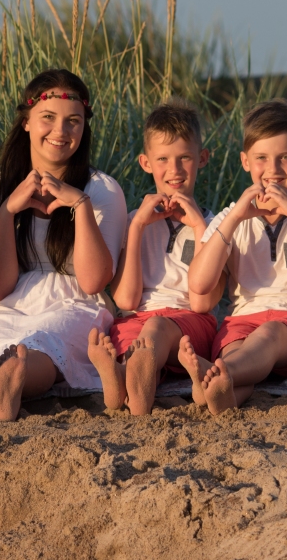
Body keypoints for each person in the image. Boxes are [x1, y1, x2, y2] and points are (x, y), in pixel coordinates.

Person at [0, 69, 127, 421]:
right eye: (48, 118)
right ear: (26, 122)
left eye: (73, 122)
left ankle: (4, 382)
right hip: (11, 302)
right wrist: (7, 212)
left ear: (84, 127)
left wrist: (79, 205)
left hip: (76, 301)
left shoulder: (102, 190)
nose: (61, 132)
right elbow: (1, 286)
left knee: (47, 340)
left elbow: (93, 282)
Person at [182, 99, 287, 415]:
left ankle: (216, 374)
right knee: (242, 354)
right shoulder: (230, 217)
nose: (274, 170)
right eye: (262, 158)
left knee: (268, 335)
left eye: (286, 158)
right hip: (242, 319)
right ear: (245, 162)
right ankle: (216, 392)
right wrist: (237, 215)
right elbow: (198, 284)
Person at [88, 99, 219, 415]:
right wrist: (136, 228)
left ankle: (132, 392)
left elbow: (204, 302)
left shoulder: (216, 225)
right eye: (163, 159)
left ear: (201, 159)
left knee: (156, 329)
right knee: (132, 334)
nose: (174, 170)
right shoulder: (135, 220)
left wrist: (200, 226)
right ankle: (119, 379)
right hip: (137, 320)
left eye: (184, 158)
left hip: (190, 324)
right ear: (146, 163)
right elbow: (126, 301)